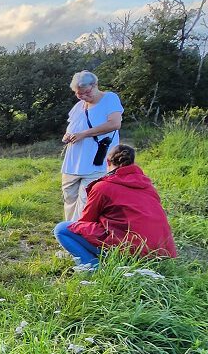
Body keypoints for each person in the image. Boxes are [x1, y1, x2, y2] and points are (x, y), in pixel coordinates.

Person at [54, 144, 176, 272]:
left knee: (62, 229)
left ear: (107, 162)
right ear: (133, 163)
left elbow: (86, 221)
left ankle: (93, 268)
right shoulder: (148, 186)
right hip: (160, 251)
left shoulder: (102, 187)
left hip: (130, 249)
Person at [61, 70, 123, 221]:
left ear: (95, 85)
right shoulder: (78, 107)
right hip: (72, 163)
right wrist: (67, 137)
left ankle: (81, 234)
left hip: (96, 163)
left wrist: (84, 134)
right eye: (78, 93)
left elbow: (115, 124)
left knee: (86, 202)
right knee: (69, 199)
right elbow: (70, 130)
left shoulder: (110, 98)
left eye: (86, 92)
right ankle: (69, 232)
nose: (82, 96)